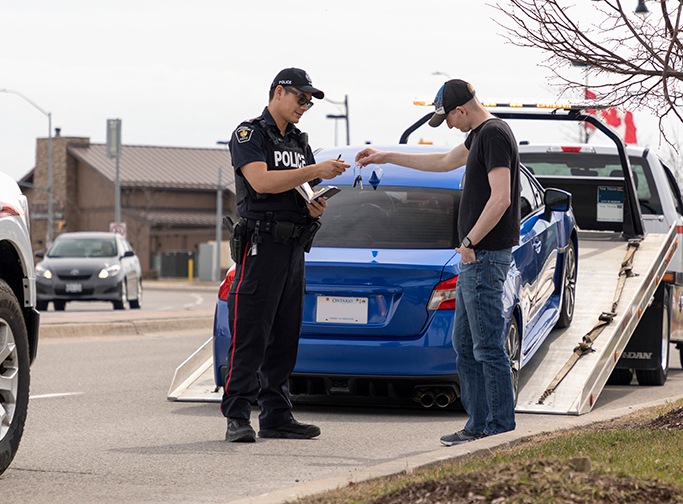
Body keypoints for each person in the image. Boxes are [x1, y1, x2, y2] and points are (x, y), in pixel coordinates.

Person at [356, 79, 520, 446]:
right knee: (464, 345)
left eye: (448, 119)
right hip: (475, 259)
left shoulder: (493, 134)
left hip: (485, 257)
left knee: (487, 346)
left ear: (462, 109)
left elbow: (502, 198)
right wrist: (386, 156)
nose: (448, 126)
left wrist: (469, 241)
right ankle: (478, 424)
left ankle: (497, 428)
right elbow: (444, 162)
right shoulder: (479, 136)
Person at [222, 68, 350, 443]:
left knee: (284, 335)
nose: (305, 106)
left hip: (293, 247)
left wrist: (315, 203)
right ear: (280, 92)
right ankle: (238, 416)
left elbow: (304, 188)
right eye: (301, 98)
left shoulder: (297, 140)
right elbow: (261, 181)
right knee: (251, 334)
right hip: (261, 246)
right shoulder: (249, 134)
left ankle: (277, 415)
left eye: (310, 102)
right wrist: (315, 169)